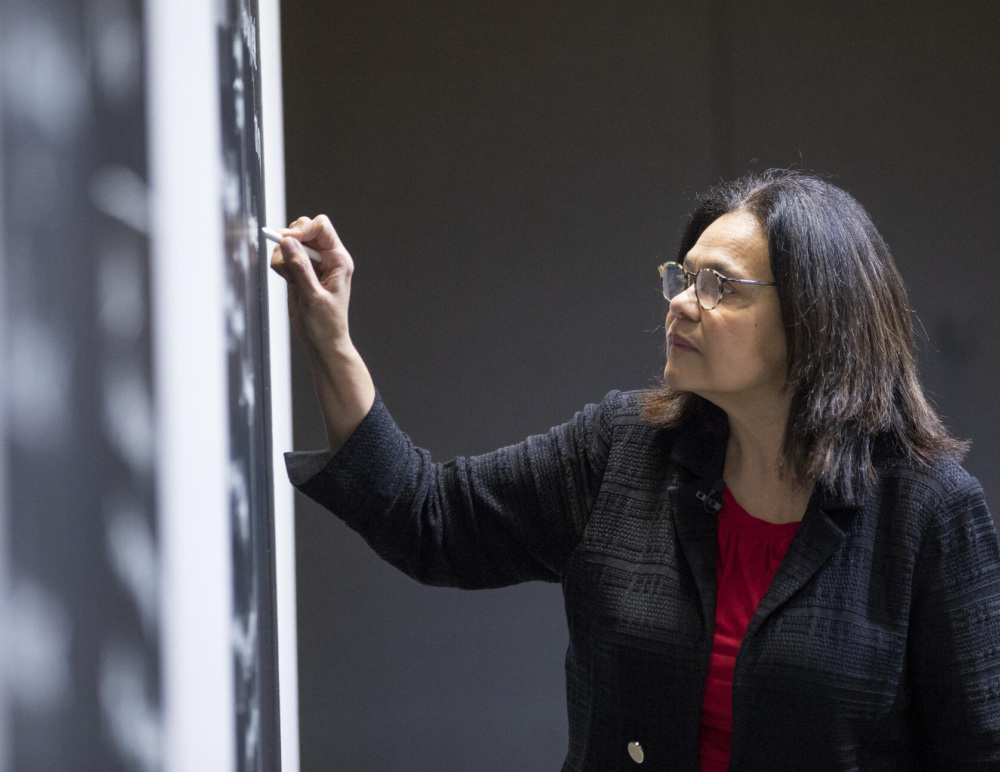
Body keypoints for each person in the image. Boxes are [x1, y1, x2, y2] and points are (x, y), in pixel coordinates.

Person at [270, 170, 1000, 770]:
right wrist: (329, 336)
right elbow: (428, 516)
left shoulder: (927, 510)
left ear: (814, 321)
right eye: (683, 277)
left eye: (720, 287)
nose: (681, 302)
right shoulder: (625, 448)